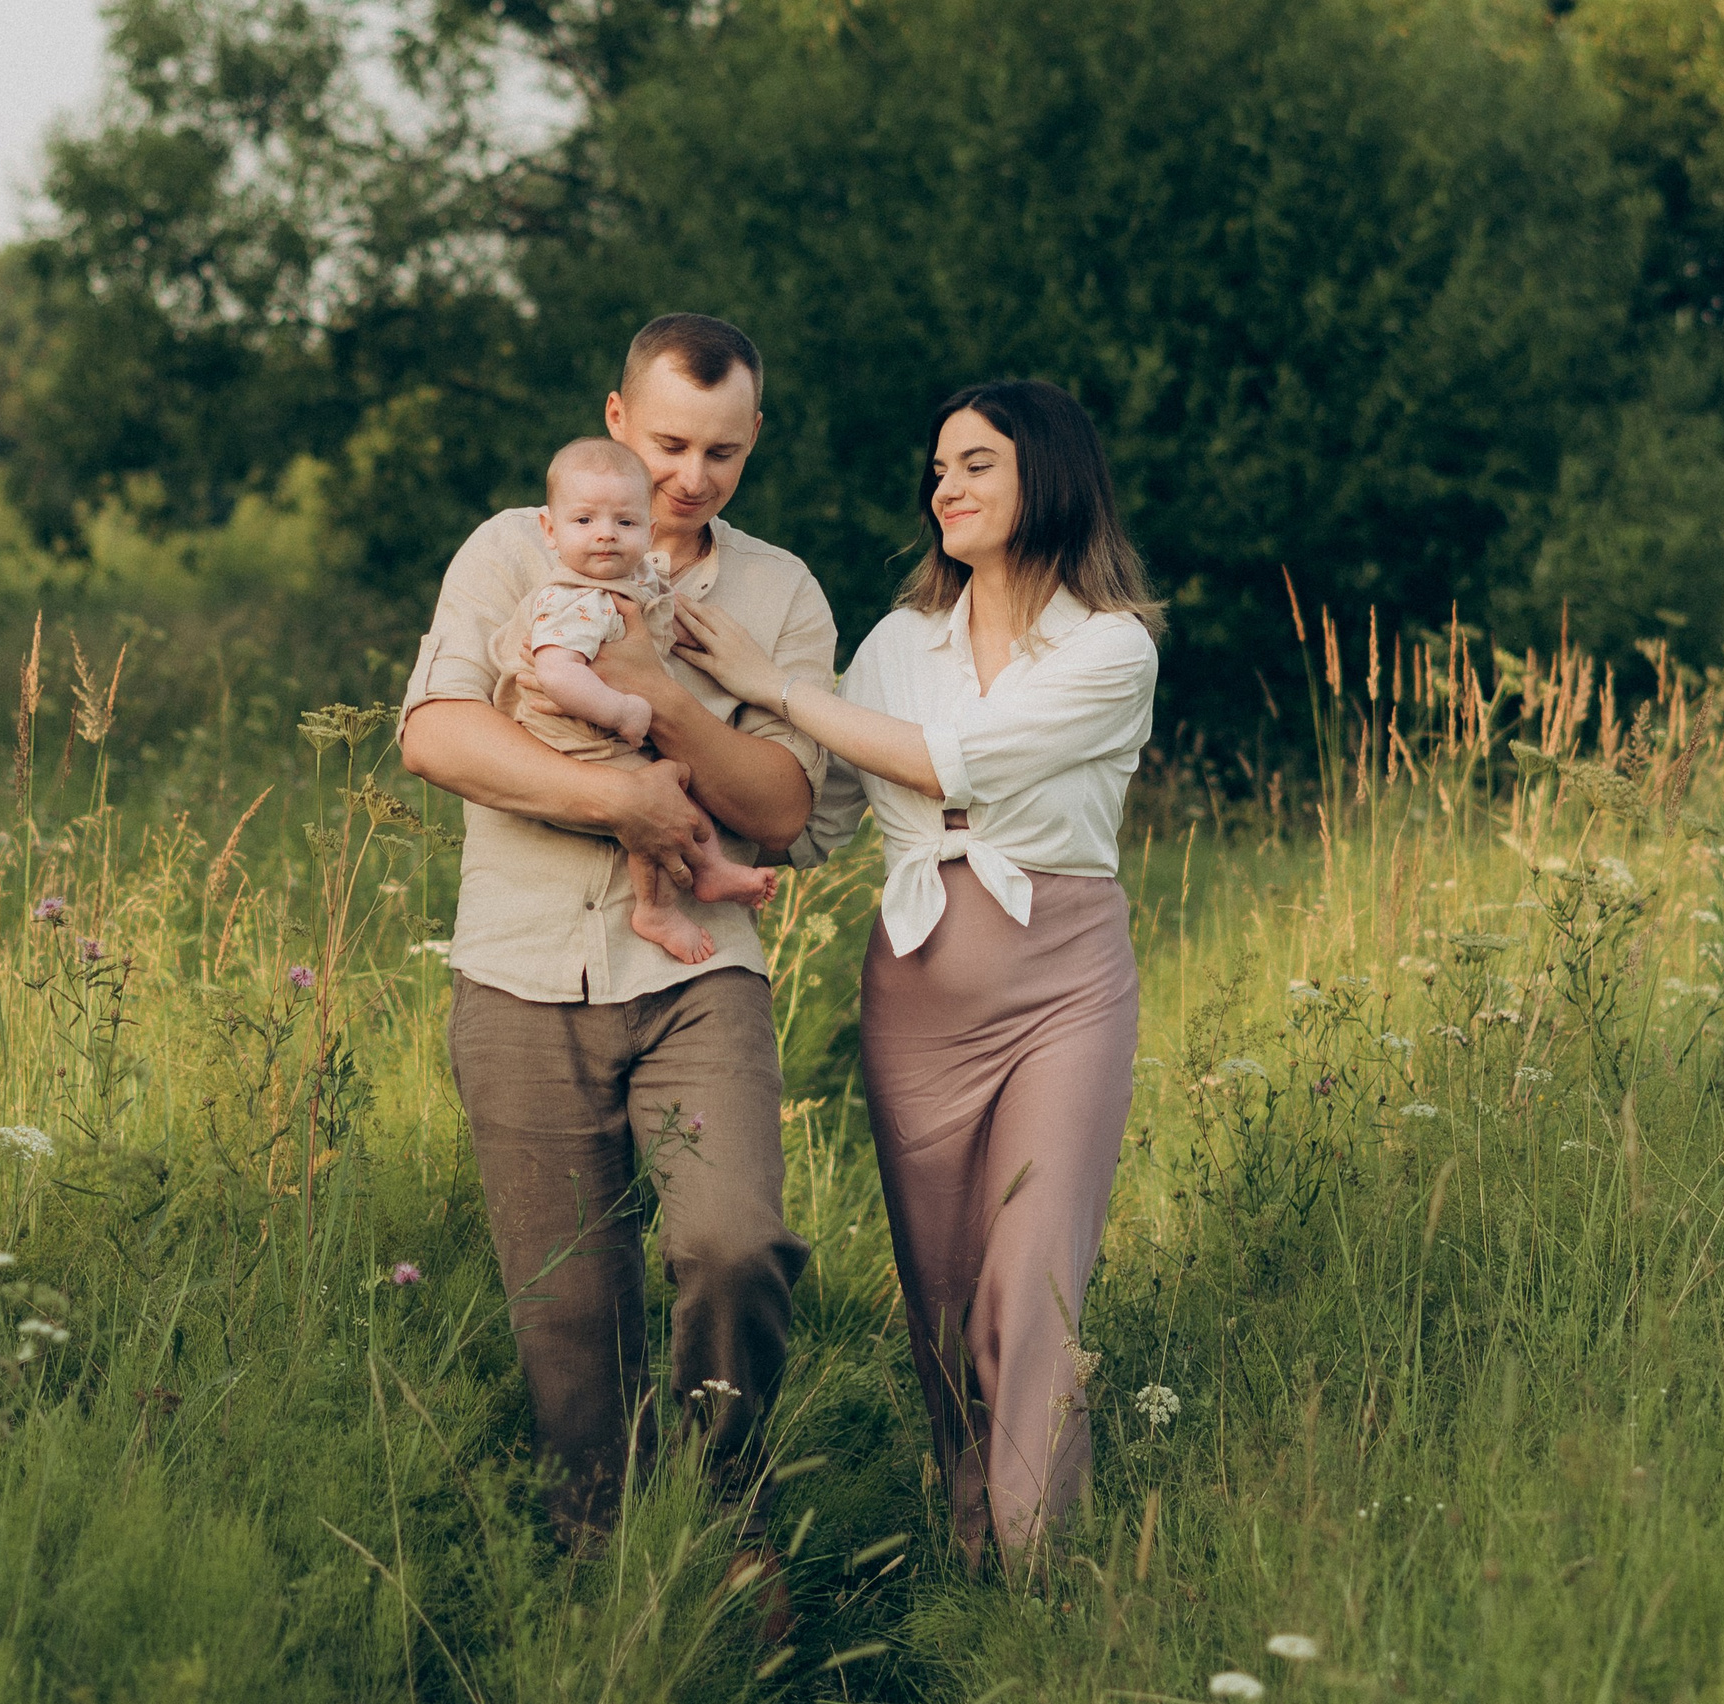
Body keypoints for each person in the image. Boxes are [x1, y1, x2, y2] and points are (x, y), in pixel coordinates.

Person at [674, 378, 1161, 1572]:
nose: (943, 486)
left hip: (1063, 977)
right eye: (937, 467)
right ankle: (972, 1556)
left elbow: (959, 765)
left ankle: (1047, 1586)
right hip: (917, 976)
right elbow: (821, 815)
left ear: (1046, 474)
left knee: (1028, 1293)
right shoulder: (898, 642)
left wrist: (781, 683)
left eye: (975, 463)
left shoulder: (1110, 647)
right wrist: (667, 759)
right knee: (942, 1315)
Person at [398, 315, 838, 1557]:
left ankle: (723, 1524)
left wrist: (650, 687)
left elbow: (784, 808)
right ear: (613, 421)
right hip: (520, 968)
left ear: (752, 446)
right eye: (665, 446)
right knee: (571, 1326)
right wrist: (620, 797)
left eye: (723, 453)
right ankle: (604, 1590)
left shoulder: (780, 591)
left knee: (733, 1244)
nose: (689, 478)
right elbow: (436, 732)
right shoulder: (512, 547)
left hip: (698, 972)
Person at [495, 435, 780, 964]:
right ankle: (656, 908)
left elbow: (656, 612)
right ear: (550, 532)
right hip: (577, 738)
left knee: (677, 782)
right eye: (584, 522)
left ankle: (711, 868)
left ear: (649, 533)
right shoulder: (573, 601)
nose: (605, 535)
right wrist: (623, 710)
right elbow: (558, 676)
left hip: (596, 727)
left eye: (624, 524)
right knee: (656, 804)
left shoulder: (628, 580)